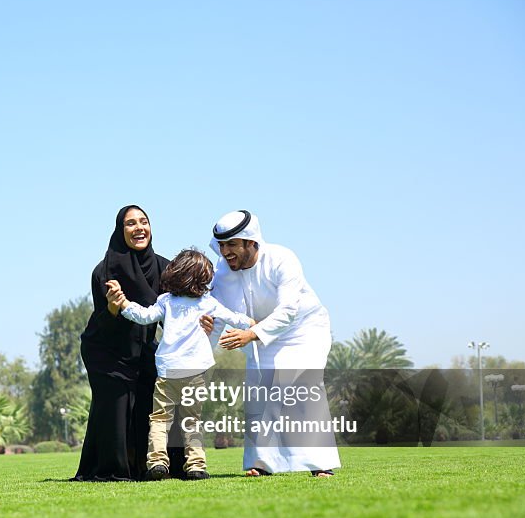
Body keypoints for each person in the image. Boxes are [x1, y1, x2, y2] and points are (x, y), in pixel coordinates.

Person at [202, 210, 341, 477]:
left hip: (303, 329)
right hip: (260, 333)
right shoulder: (221, 274)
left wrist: (252, 335)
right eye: (221, 245)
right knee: (259, 393)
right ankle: (262, 464)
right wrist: (199, 352)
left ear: (251, 242)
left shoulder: (282, 258)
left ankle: (320, 465)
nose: (225, 251)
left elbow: (289, 310)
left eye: (232, 244)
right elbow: (216, 317)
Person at [109, 248, 255, 480]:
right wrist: (256, 325)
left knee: (159, 419)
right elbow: (235, 318)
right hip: (197, 371)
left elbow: (144, 316)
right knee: (191, 420)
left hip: (168, 371)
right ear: (202, 279)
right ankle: (196, 466)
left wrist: (125, 303)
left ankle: (157, 462)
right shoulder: (208, 303)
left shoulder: (166, 301)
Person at [72, 205, 184, 481]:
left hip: (143, 348)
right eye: (130, 223)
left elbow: (172, 312)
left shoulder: (164, 267)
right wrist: (114, 305)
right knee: (117, 406)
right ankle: (113, 468)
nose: (139, 228)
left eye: (143, 222)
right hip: (107, 349)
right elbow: (104, 321)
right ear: (120, 231)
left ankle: (157, 466)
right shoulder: (105, 270)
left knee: (153, 401)